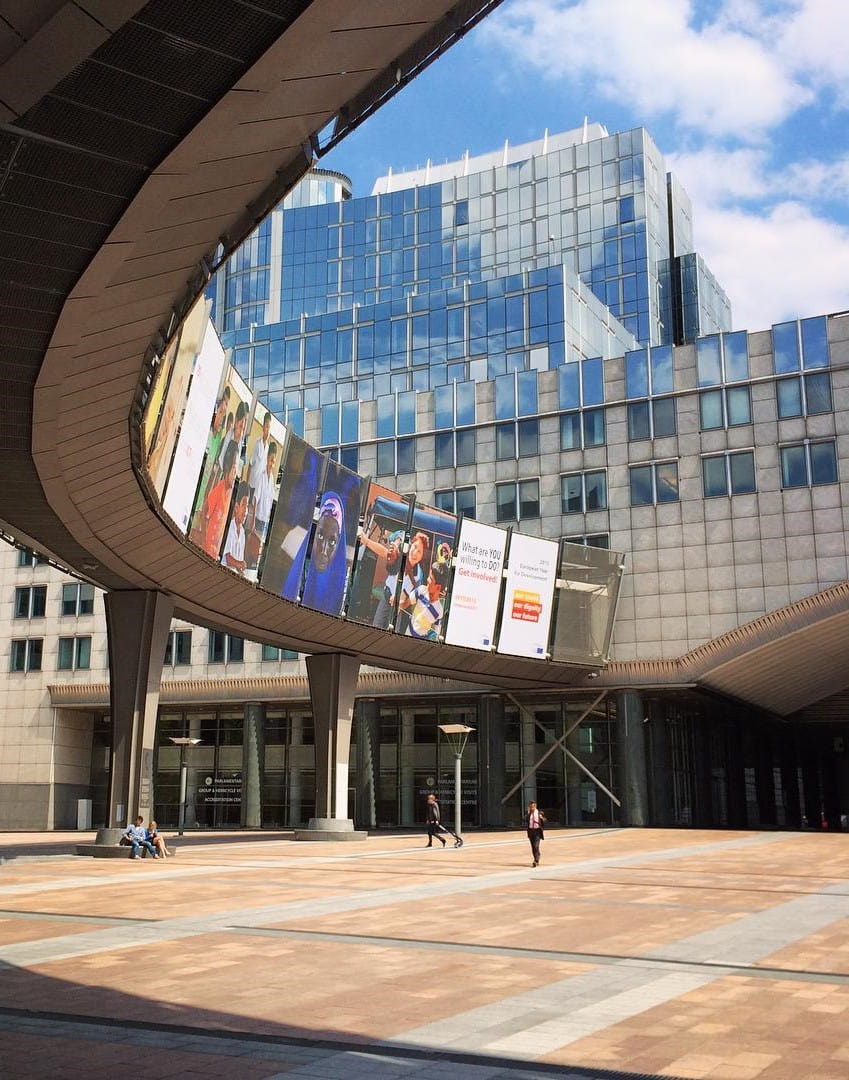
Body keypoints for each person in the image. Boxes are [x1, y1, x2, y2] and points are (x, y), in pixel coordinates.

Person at [295, 492, 348, 615]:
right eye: (320, 536)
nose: (324, 551)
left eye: (332, 542)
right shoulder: (293, 559)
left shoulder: (337, 594)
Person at [357, 527, 404, 629]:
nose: (388, 554)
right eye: (389, 557)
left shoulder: (408, 562)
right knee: (377, 626)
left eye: (389, 556)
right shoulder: (400, 549)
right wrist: (398, 542)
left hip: (399, 601)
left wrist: (366, 541)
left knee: (392, 631)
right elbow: (385, 551)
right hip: (388, 596)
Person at [402, 560, 449, 640]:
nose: (427, 579)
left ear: (438, 587)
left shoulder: (439, 611)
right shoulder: (421, 591)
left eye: (431, 579)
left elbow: (436, 632)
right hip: (407, 634)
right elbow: (403, 604)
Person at [221, 481, 250, 573]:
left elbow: (238, 565)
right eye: (244, 504)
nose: (246, 511)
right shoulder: (229, 527)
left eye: (247, 506)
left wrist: (241, 570)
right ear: (237, 507)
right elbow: (227, 558)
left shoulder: (242, 533)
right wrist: (240, 564)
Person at [526, 800, 546, 867]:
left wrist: (542, 818)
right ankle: (535, 859)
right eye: (530, 807)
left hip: (537, 831)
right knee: (533, 847)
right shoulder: (529, 814)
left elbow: (545, 820)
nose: (531, 808)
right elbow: (525, 821)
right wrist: (528, 813)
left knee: (536, 846)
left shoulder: (539, 813)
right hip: (531, 831)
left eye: (533, 806)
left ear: (535, 806)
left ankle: (536, 860)